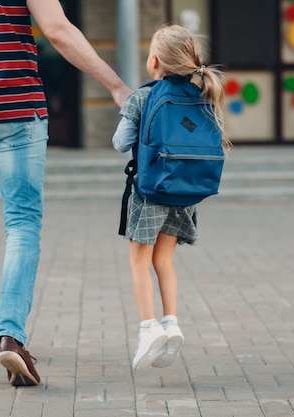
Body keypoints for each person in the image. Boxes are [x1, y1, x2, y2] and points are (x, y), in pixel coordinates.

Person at [0, 0, 131, 386]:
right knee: (22, 223)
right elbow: (57, 30)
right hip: (16, 114)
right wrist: (116, 85)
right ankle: (10, 335)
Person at [111, 25, 231, 371]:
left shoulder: (144, 96)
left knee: (138, 261)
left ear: (154, 62)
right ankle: (171, 322)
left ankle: (148, 329)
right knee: (164, 261)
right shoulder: (203, 95)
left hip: (150, 192)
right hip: (185, 193)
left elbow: (120, 143)